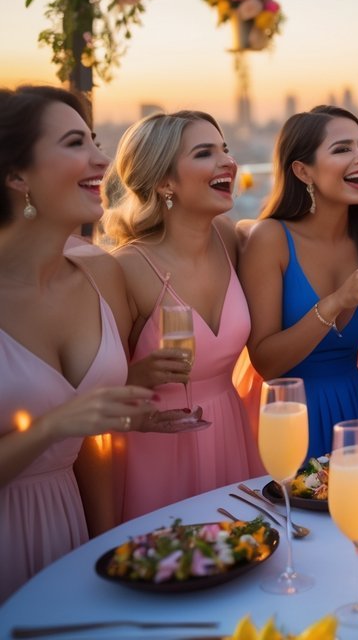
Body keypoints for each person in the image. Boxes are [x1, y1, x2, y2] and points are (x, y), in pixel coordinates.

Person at [0, 87, 154, 602]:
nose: (102, 159)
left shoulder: (100, 273)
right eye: (74, 143)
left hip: (70, 532)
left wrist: (103, 549)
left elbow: (93, 439)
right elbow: (64, 421)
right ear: (17, 176)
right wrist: (54, 425)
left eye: (95, 140)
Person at [102, 111, 260, 520]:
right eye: (205, 153)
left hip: (230, 433)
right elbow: (93, 395)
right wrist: (138, 376)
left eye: (225, 149)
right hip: (156, 448)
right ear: (164, 181)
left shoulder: (229, 238)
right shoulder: (125, 268)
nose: (227, 162)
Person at [240, 106, 358, 460]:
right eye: (342, 149)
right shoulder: (271, 239)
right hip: (289, 416)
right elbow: (266, 362)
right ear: (303, 171)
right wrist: (338, 300)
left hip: (352, 414)